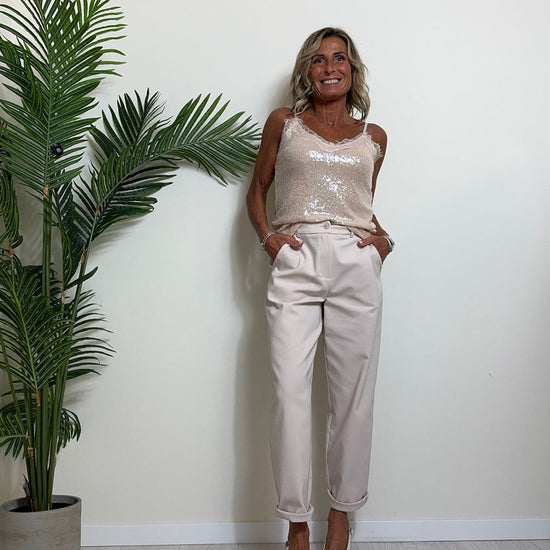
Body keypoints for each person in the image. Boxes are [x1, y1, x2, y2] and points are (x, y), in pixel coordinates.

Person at [246, 27, 393, 550]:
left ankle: (340, 517)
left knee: (354, 397)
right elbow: (257, 191)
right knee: (289, 392)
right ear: (306, 70)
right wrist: (269, 239)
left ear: (353, 69)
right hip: (298, 255)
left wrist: (383, 241)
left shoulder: (374, 137)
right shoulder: (283, 123)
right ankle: (296, 524)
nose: (330, 67)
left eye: (340, 59)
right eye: (319, 60)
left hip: (356, 263)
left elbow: (360, 205)